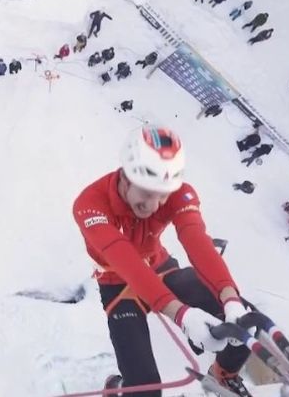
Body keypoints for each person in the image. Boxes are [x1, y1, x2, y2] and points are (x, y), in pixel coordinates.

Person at [72, 126, 252, 396]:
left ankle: (223, 376)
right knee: (145, 391)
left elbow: (196, 239)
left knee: (245, 323)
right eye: (147, 192)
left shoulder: (179, 192)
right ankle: (119, 389)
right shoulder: (90, 204)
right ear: (125, 177)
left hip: (158, 266)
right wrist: (181, 314)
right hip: (118, 283)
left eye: (164, 194)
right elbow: (124, 259)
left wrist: (230, 298)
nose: (155, 205)